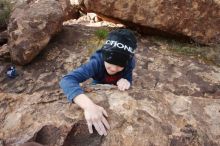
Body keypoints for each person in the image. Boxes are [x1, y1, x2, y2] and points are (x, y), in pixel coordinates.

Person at [59, 29, 137, 136]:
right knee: (95, 84)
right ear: (104, 55)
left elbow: (128, 76)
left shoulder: (130, 63)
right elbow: (67, 80)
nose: (113, 69)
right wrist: (89, 106)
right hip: (98, 83)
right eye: (110, 61)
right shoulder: (96, 63)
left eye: (120, 65)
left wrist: (126, 80)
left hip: (116, 87)